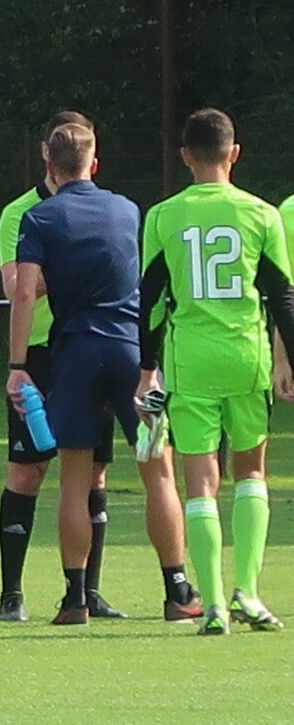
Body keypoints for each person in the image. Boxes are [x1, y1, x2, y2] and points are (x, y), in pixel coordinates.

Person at [6, 123, 194, 625]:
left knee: (74, 477)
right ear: (95, 163)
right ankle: (177, 589)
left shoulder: (38, 217)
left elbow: (24, 292)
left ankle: (75, 599)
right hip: (131, 351)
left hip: (74, 354)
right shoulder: (129, 210)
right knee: (157, 468)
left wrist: (18, 366)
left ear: (49, 166)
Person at [138, 109, 293, 634]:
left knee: (201, 482)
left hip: (190, 362)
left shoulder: (163, 216)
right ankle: (248, 591)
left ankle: (213, 608)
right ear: (235, 153)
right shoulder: (262, 214)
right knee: (251, 472)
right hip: (246, 358)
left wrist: (147, 368)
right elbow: (282, 297)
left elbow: (150, 301)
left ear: (184, 156)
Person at [0, 112, 129, 622]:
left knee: (93, 472)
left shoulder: (101, 209)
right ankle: (11, 594)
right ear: (46, 155)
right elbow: (17, 286)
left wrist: (58, 261)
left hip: (87, 349)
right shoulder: (21, 213)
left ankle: (87, 591)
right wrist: (75, 261)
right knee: (27, 470)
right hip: (39, 354)